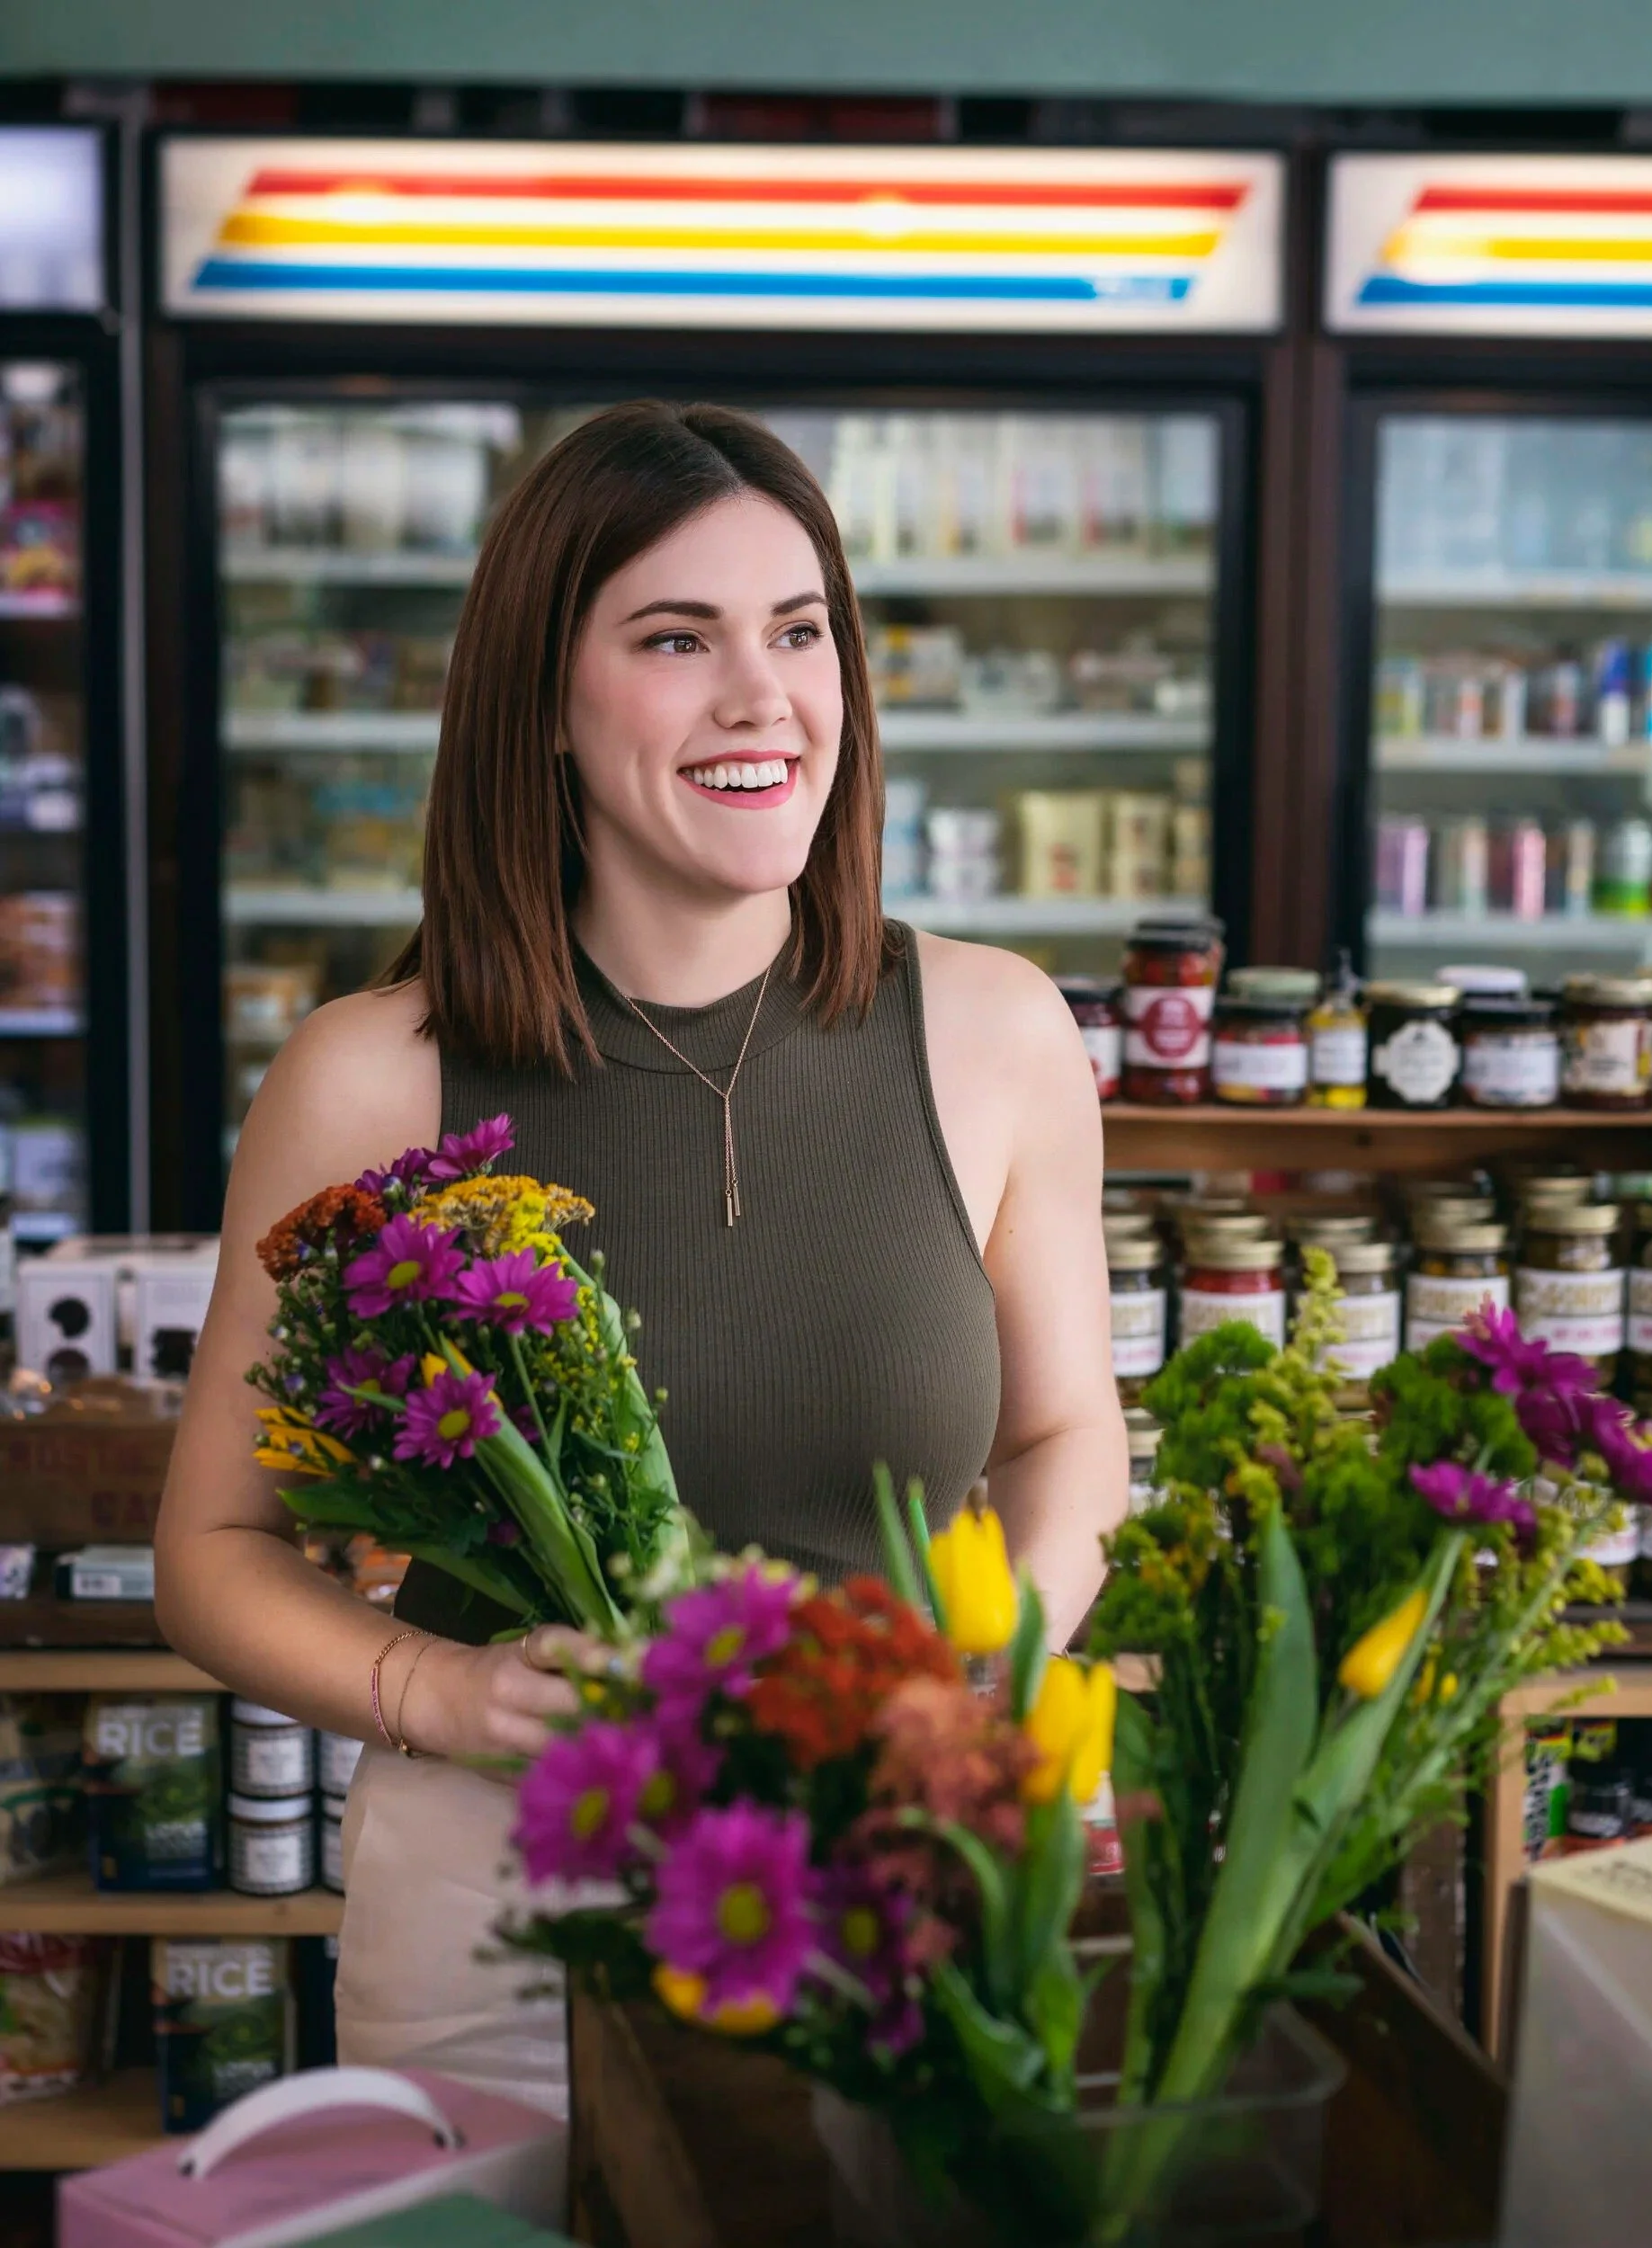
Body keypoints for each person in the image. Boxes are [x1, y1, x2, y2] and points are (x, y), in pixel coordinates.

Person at [155, 400, 1127, 2116]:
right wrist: (443, 1693)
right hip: (512, 1897)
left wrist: (988, 1677)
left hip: (898, 1855)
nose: (762, 696)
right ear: (543, 700)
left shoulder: (996, 1032)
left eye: (800, 630)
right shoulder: (370, 1078)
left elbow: (1068, 1440)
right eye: (677, 640)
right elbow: (214, 1548)